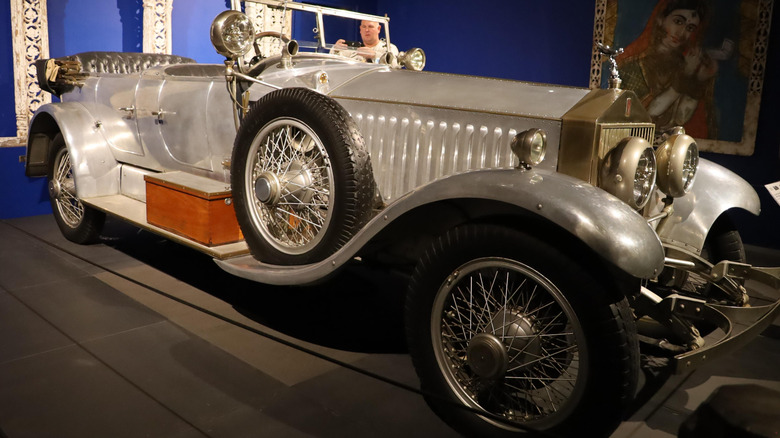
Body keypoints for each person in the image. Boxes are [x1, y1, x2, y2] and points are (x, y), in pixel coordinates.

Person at [617, 0, 718, 139]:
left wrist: (698, 79)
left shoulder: (687, 65)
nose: (681, 33)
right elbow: (645, 116)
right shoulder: (632, 68)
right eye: (678, 21)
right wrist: (685, 76)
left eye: (690, 28)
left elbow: (681, 119)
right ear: (661, 19)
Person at [331, 20, 399, 63]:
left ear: (378, 29)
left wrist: (374, 55)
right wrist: (336, 50)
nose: (366, 30)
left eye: (370, 27)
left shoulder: (389, 48)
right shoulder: (352, 49)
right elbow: (333, 63)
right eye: (364, 27)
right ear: (360, 29)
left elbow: (394, 65)